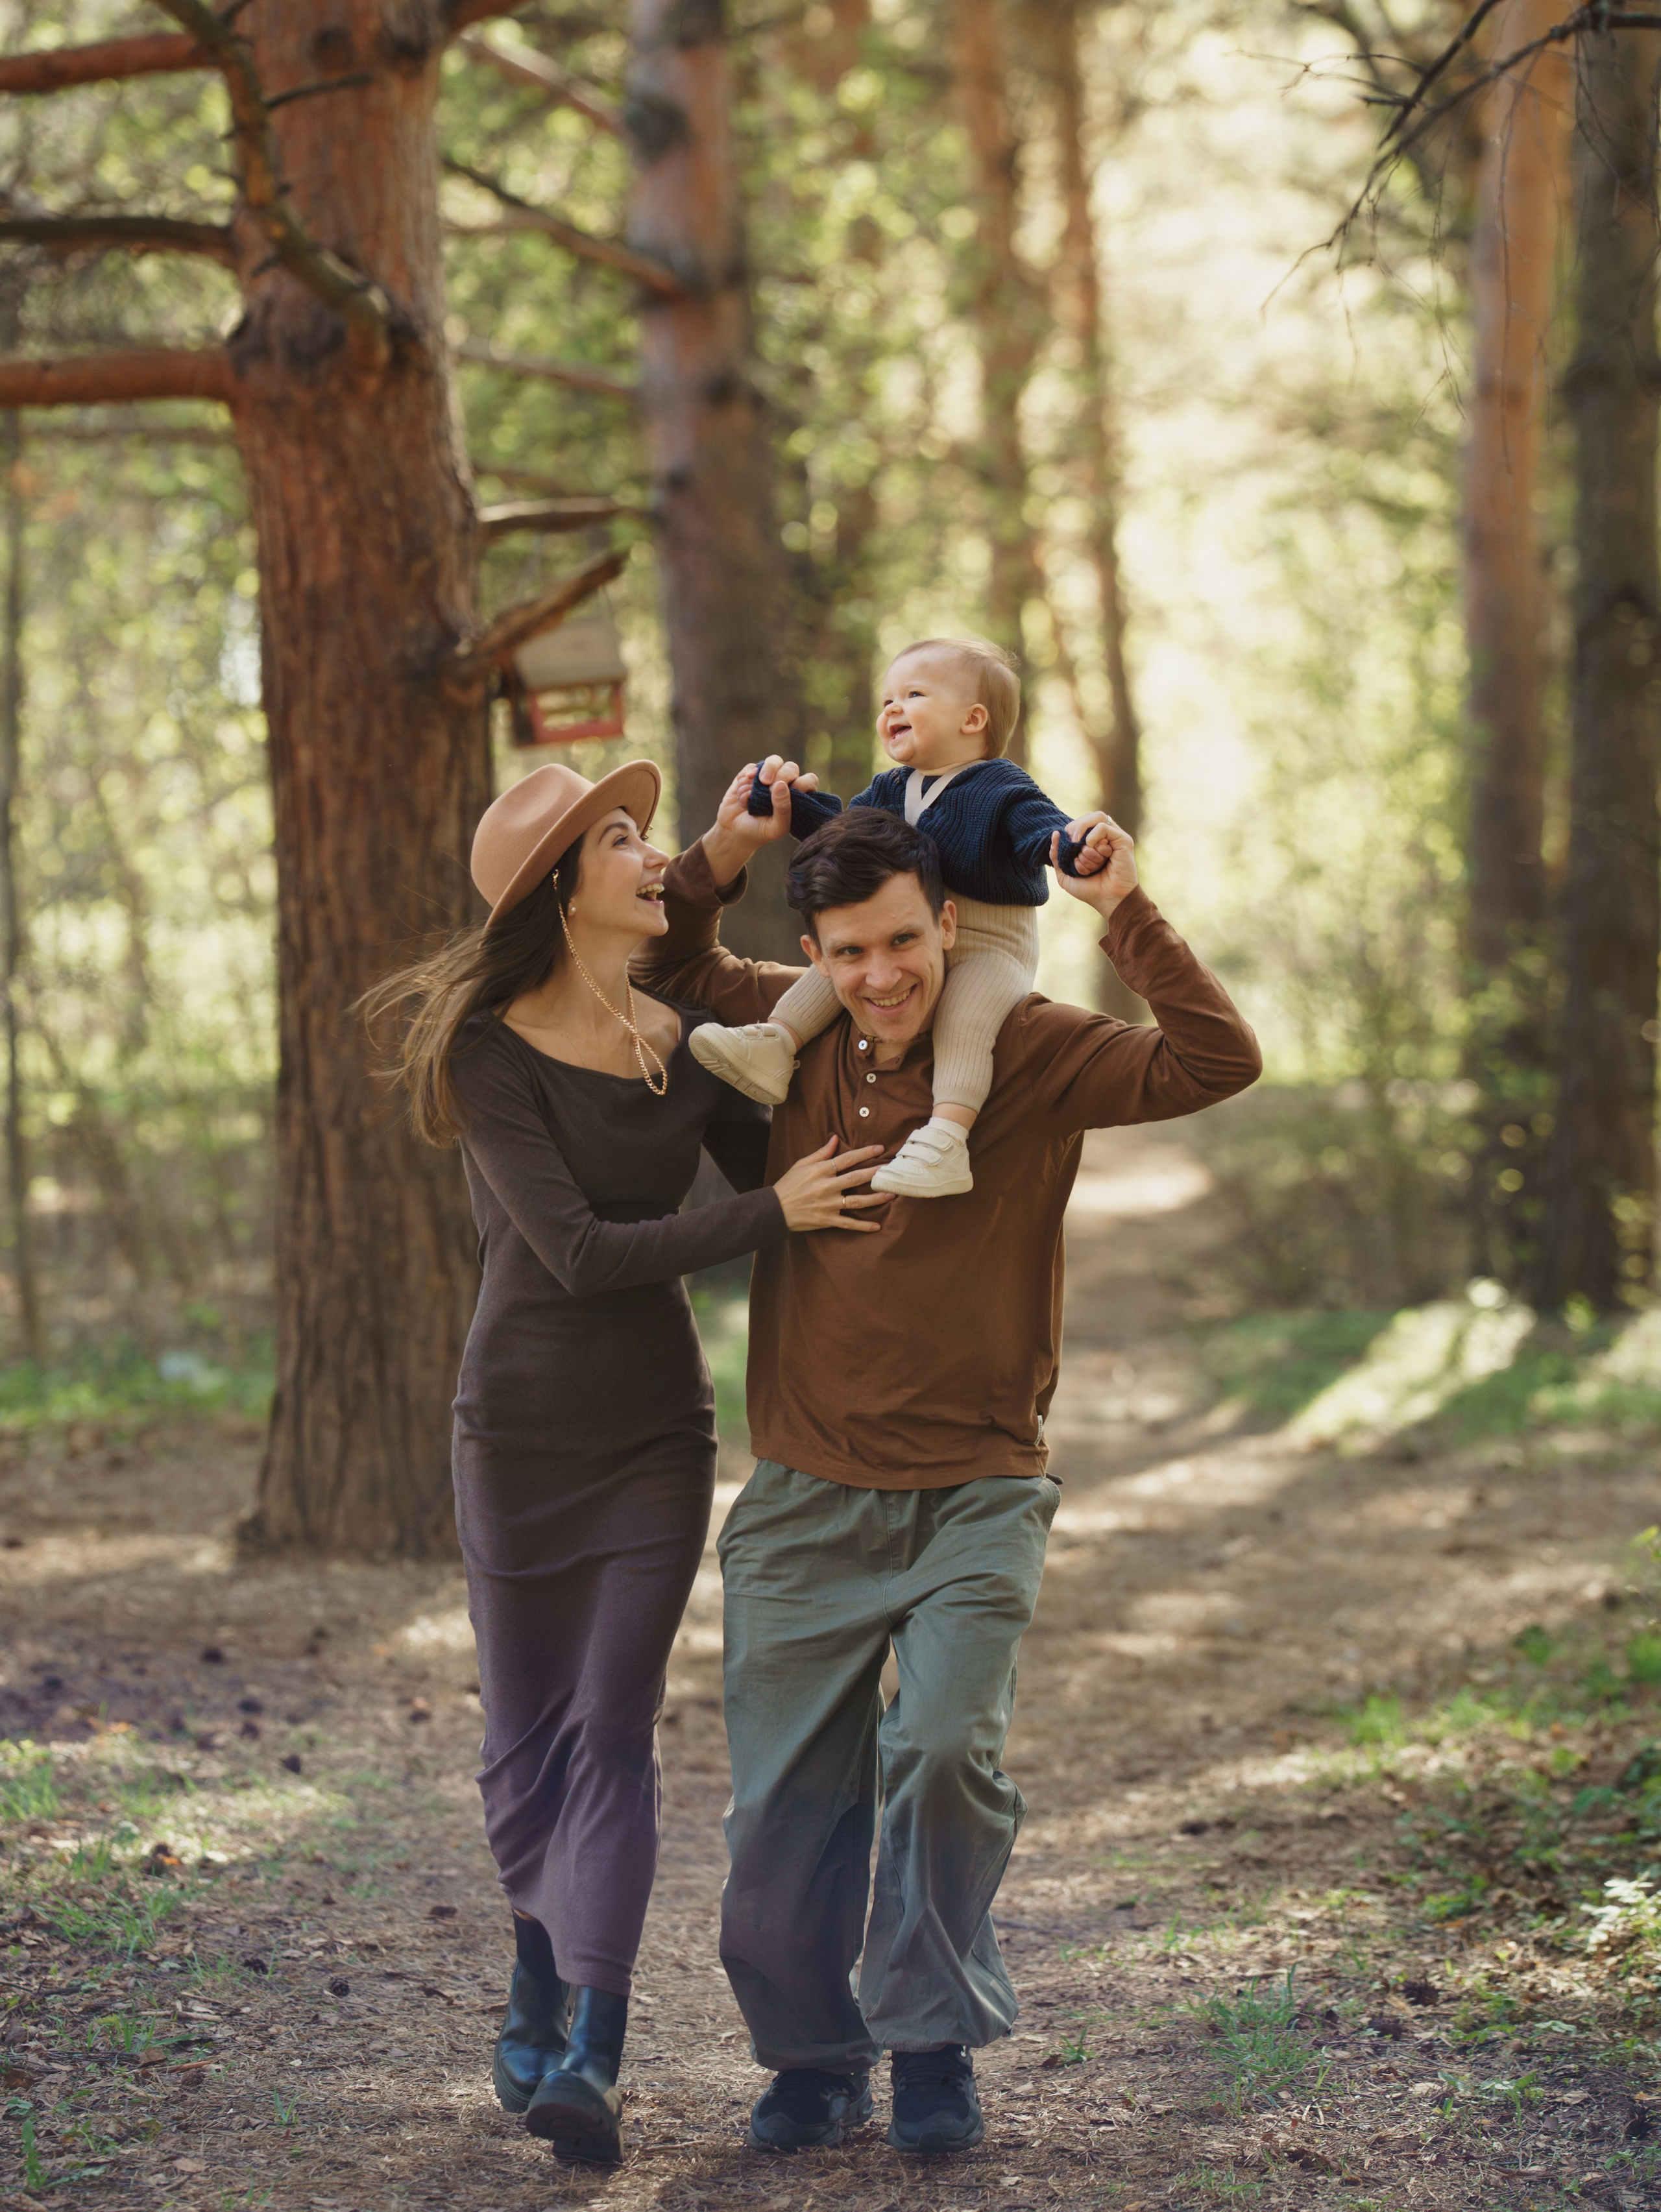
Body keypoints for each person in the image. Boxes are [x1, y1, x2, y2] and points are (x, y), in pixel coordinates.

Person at [634, 780, 1261, 2156]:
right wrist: (724, 851)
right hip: (802, 1496)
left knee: (941, 1753)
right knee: (779, 1818)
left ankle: (928, 2042)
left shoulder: (1022, 1046)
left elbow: (1213, 1062)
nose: (877, 975)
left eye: (901, 942)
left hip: (977, 1491)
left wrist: (1123, 908)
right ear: (811, 955)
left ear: (948, 927)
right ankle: (810, 2060)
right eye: (846, 951)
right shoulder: (778, 1038)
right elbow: (659, 959)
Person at [364, 759, 886, 2167]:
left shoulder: (681, 1034)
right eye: (617, 840)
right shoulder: (485, 1049)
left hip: (657, 1431)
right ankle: (534, 1984)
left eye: (644, 836)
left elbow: (785, 1127)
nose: (649, 855)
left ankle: (589, 2044)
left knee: (613, 1728)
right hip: (517, 1430)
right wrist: (772, 1209)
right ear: (558, 888)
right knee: (522, 1740)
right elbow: (583, 1255)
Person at [687, 636, 1115, 1198]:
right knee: (830, 973)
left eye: (912, 694)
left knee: (966, 1019)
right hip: (911, 941)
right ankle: (777, 1044)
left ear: (973, 719)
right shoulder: (891, 790)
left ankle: (945, 1138)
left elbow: (1042, 832)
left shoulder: (1003, 788)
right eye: (886, 698)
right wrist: (783, 800)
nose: (891, 708)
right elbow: (844, 834)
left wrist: (1071, 847)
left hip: (989, 946)